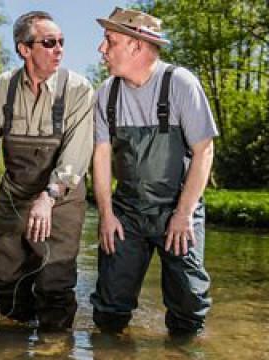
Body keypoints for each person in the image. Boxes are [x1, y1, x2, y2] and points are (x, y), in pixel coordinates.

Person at [90, 7, 218, 335]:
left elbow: (205, 151)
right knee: (109, 308)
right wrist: (106, 215)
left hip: (178, 207)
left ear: (136, 45)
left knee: (189, 302)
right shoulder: (107, 93)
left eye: (109, 41)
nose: (102, 50)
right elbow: (101, 157)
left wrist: (183, 213)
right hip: (127, 213)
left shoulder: (181, 83)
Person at [0, 11, 94, 331]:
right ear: (25, 49)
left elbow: (77, 155)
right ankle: (13, 337)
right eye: (49, 42)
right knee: (3, 280)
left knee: (54, 285)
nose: (59, 49)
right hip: (15, 195)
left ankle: (54, 345)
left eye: (61, 42)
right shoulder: (1, 86)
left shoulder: (79, 90)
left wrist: (49, 196)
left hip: (61, 198)